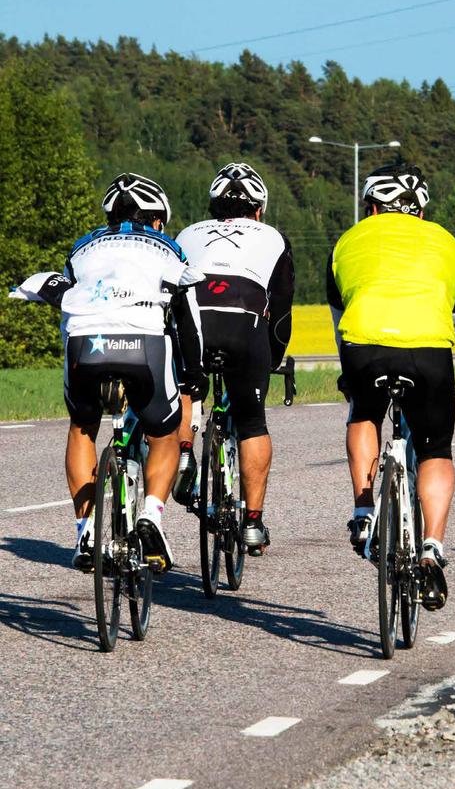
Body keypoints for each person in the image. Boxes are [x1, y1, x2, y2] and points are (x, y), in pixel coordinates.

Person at [9, 172, 205, 574]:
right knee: (163, 434)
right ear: (156, 219)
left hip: (87, 342)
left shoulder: (84, 246)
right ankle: (151, 514)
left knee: (83, 426)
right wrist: (193, 374)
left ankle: (86, 528)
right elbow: (188, 320)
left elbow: (68, 300)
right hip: (143, 342)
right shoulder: (169, 248)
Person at [326, 163, 455, 611]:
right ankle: (432, 549)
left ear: (373, 206)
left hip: (365, 348)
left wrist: (348, 370)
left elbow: (340, 318)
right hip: (428, 356)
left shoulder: (347, 242)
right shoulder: (450, 245)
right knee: (435, 451)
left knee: (363, 414)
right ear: (419, 210)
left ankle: (363, 511)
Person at [174, 163, 294, 554]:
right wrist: (272, 359)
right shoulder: (274, 238)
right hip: (244, 329)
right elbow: (282, 311)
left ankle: (184, 458)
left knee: (189, 387)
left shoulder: (186, 234)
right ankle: (253, 524)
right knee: (252, 421)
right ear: (259, 209)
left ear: (212, 206)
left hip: (194, 324)